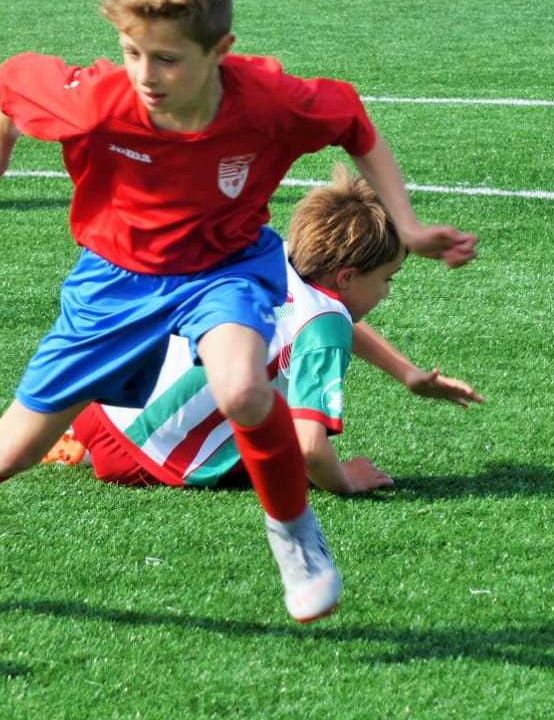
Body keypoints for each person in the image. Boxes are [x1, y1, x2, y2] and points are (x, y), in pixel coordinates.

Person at [0, 0, 477, 624]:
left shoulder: (269, 101)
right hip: (115, 279)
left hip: (226, 267)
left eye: (166, 58)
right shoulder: (98, 102)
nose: (145, 74)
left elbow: (353, 123)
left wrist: (409, 226)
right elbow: (16, 80)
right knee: (14, 449)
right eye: (132, 51)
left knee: (243, 387)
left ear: (221, 50)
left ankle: (294, 531)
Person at [45, 165, 484, 494]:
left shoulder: (275, 255)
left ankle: (77, 442)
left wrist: (407, 373)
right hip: (149, 457)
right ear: (348, 277)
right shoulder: (326, 324)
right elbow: (310, 449)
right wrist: (346, 479)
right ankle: (104, 453)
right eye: (387, 279)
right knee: (275, 445)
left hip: (98, 407)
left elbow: (324, 317)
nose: (386, 292)